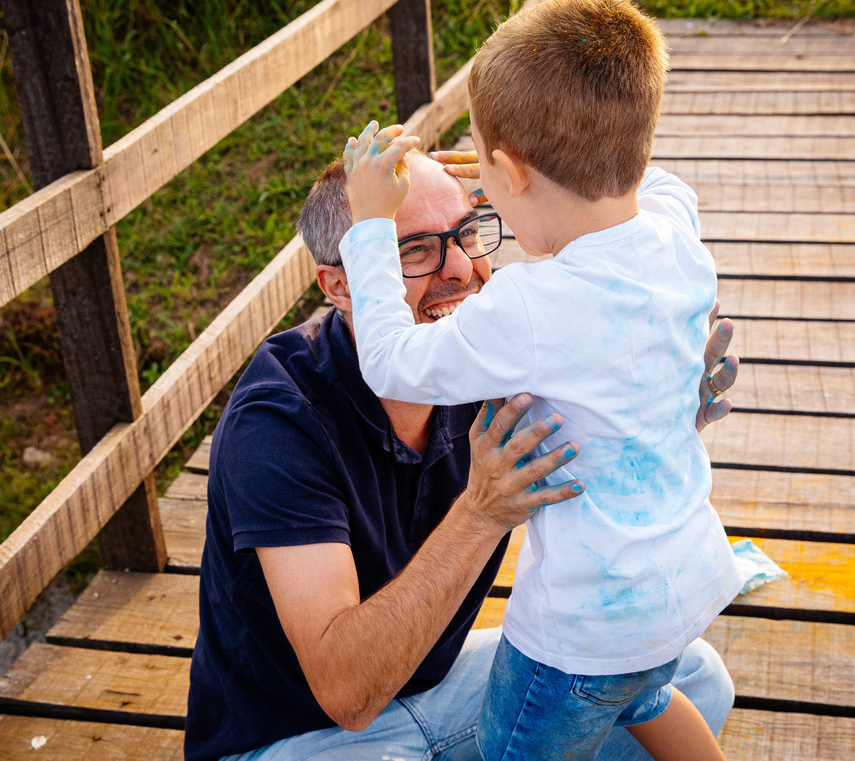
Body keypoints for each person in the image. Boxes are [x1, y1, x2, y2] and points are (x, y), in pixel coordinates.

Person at [183, 149, 740, 760]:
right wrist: (480, 513)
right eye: (414, 250)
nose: (460, 269)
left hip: (431, 688)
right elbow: (346, 693)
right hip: (299, 737)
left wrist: (663, 398)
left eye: (468, 233)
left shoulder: (493, 350)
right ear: (341, 285)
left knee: (696, 679)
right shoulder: (277, 418)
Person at [335, 0, 740, 761]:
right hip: (680, 586)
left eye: (488, 183)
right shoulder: (675, 234)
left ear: (510, 173)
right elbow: (658, 183)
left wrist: (372, 224)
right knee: (647, 697)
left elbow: (392, 361)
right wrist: (523, 159)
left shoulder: (528, 304)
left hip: (579, 632)